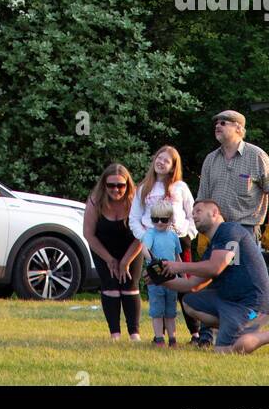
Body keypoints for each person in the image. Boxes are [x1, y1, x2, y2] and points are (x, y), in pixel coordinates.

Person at [160, 199, 269, 356]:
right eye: (192, 213)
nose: (194, 216)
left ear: (214, 212)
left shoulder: (230, 230)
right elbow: (192, 285)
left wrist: (178, 266)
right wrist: (162, 280)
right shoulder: (213, 246)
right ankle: (235, 328)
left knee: (224, 350)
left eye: (198, 211)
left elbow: (215, 267)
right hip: (230, 303)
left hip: (253, 305)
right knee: (189, 302)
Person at [130, 143, 199, 340]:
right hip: (153, 244)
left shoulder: (180, 187)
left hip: (177, 241)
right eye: (159, 158)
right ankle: (160, 334)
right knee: (159, 285)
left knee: (184, 286)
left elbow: (192, 213)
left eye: (166, 160)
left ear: (173, 166)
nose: (161, 162)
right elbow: (134, 217)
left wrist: (190, 233)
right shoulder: (144, 188)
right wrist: (144, 237)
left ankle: (195, 332)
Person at [196, 110, 269, 245]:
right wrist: (202, 230)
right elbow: (202, 197)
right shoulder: (210, 159)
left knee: (242, 267)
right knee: (215, 266)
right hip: (215, 229)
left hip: (245, 230)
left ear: (238, 128)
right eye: (216, 123)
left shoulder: (256, 155)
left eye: (223, 123)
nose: (217, 126)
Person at [83, 163, 144, 341]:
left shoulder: (136, 202)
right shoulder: (95, 201)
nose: (116, 189)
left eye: (121, 185)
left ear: (128, 185)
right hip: (103, 248)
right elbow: (88, 234)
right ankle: (115, 334)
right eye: (111, 185)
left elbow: (141, 235)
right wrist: (109, 259)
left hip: (132, 246)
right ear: (104, 185)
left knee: (130, 285)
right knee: (110, 286)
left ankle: (134, 334)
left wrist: (126, 261)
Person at [141, 198, 180, 347]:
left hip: (171, 279)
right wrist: (153, 261)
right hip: (156, 279)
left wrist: (183, 274)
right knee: (157, 310)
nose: (159, 223)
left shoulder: (173, 236)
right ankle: (159, 338)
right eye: (155, 219)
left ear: (170, 219)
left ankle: (172, 339)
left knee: (171, 311)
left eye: (163, 220)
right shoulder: (150, 233)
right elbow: (144, 248)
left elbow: (177, 257)